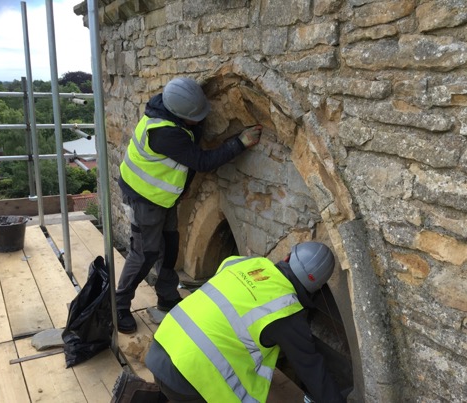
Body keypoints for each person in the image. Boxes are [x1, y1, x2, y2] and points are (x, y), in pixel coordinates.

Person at [116, 77, 262, 334]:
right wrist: (239, 142)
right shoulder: (164, 133)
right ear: (179, 114)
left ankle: (168, 298)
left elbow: (191, 145)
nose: (201, 119)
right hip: (143, 197)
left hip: (163, 197)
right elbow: (202, 161)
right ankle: (118, 305)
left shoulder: (175, 109)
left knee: (169, 247)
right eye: (196, 116)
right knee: (145, 253)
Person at [145, 241, 346, 403]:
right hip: (188, 384)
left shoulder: (241, 263)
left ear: (287, 257)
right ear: (314, 288)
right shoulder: (287, 311)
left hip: (160, 348)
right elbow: (311, 367)